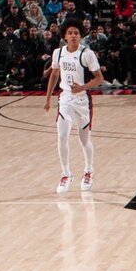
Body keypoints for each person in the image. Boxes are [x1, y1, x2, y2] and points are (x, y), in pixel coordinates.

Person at [42, 22, 102, 194]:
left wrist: (82, 88)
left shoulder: (87, 54)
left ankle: (88, 171)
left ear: (80, 36)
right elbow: (54, 75)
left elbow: (99, 79)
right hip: (65, 98)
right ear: (65, 36)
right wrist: (48, 99)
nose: (74, 35)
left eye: (76, 32)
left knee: (84, 140)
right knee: (62, 136)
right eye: (70, 32)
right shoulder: (58, 53)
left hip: (83, 100)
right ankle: (66, 174)